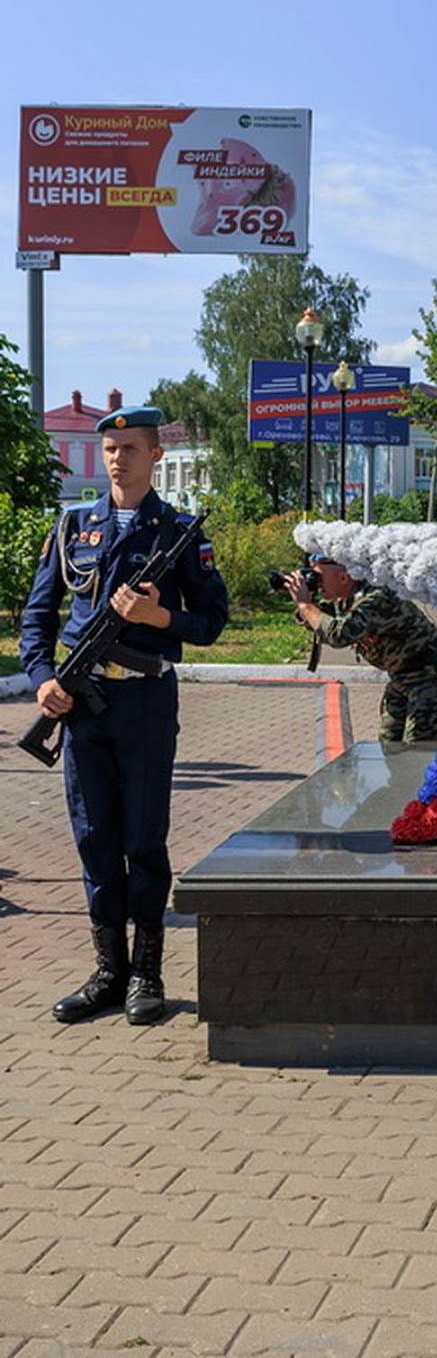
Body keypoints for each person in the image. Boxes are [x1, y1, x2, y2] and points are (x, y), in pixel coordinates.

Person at [20, 406, 228, 1026]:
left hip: (143, 706)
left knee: (143, 839)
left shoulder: (180, 533)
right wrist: (42, 681)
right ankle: (107, 971)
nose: (117, 458)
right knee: (94, 839)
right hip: (82, 706)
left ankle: (146, 974)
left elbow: (212, 622)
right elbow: (37, 617)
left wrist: (159, 620)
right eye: (110, 447)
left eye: (131, 448)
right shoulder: (72, 527)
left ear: (156, 454)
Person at [284, 555, 437, 745]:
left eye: (318, 578)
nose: (316, 584)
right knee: (389, 741)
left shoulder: (376, 598)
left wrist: (305, 605)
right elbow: (322, 622)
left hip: (431, 673)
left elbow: (339, 634)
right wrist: (303, 600)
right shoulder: (346, 599)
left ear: (344, 577)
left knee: (419, 746)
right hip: (402, 674)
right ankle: (399, 775)